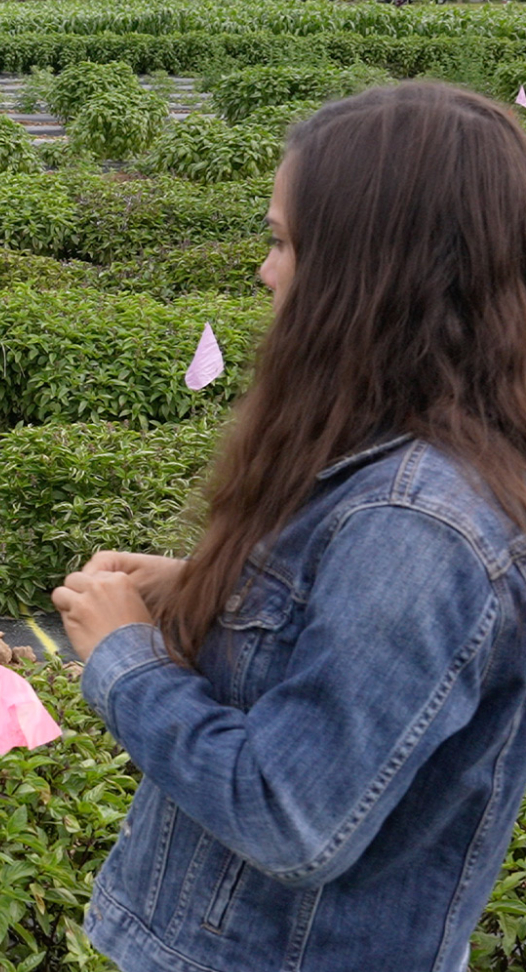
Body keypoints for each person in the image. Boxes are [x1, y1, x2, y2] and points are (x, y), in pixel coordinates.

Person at [52, 81, 526, 971]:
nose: (267, 269)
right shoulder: (412, 470)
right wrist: (207, 584)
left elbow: (290, 815)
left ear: (374, 269)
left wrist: (124, 658)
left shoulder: (415, 522)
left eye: (282, 240)